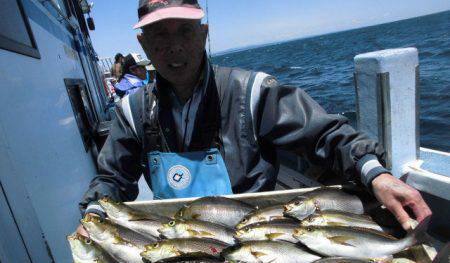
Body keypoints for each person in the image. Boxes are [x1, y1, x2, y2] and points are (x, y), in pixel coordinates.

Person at [78, 0, 431, 232]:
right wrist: (95, 212)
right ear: (143, 44)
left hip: (259, 236)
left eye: (185, 31)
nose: (174, 46)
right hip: (181, 237)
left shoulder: (253, 91)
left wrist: (376, 175)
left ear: (204, 33)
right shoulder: (132, 112)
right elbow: (112, 179)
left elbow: (325, 135)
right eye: (159, 34)